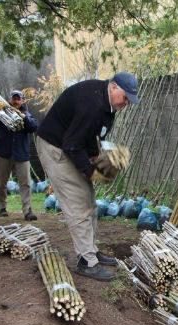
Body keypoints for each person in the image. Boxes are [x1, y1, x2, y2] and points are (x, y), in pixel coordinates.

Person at [36, 72, 139, 281]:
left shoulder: (108, 105)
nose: (126, 103)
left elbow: (93, 134)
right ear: (113, 87)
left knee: (89, 199)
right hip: (55, 147)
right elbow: (71, 144)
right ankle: (86, 262)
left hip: (71, 144)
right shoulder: (91, 105)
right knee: (77, 202)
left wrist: (95, 155)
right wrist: (91, 170)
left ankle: (90, 250)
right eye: (125, 97)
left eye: (130, 100)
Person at [0, 90, 39, 221]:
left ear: (22, 101)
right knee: (0, 183)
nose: (16, 101)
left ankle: (27, 211)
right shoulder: (0, 114)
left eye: (19, 99)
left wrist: (24, 118)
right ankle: (2, 209)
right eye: (14, 99)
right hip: (2, 153)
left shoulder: (25, 114)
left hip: (21, 155)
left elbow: (34, 126)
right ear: (9, 99)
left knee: (26, 184)